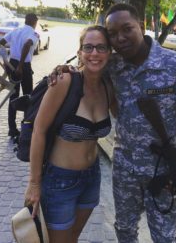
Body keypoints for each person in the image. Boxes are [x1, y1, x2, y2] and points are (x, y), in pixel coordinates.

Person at [50, 3, 176, 243]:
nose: (120, 38)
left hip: (162, 171)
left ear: (140, 26)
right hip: (125, 168)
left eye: (127, 29)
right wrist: (64, 69)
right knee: (125, 229)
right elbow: (89, 64)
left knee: (164, 236)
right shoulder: (113, 65)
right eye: (112, 33)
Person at [25, 25, 115, 243]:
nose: (94, 53)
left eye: (101, 47)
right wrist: (35, 183)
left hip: (92, 177)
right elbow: (39, 130)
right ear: (80, 52)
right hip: (60, 180)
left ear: (110, 53)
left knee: (72, 238)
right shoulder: (64, 82)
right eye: (89, 47)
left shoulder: (108, 86)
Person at [0, 13, 39, 138]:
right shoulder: (34, 34)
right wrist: (20, 66)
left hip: (12, 64)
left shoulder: (16, 30)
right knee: (28, 98)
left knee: (13, 97)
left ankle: (12, 129)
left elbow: (1, 42)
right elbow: (27, 44)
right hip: (24, 67)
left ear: (26, 20)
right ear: (35, 22)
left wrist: (5, 61)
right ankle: (27, 128)